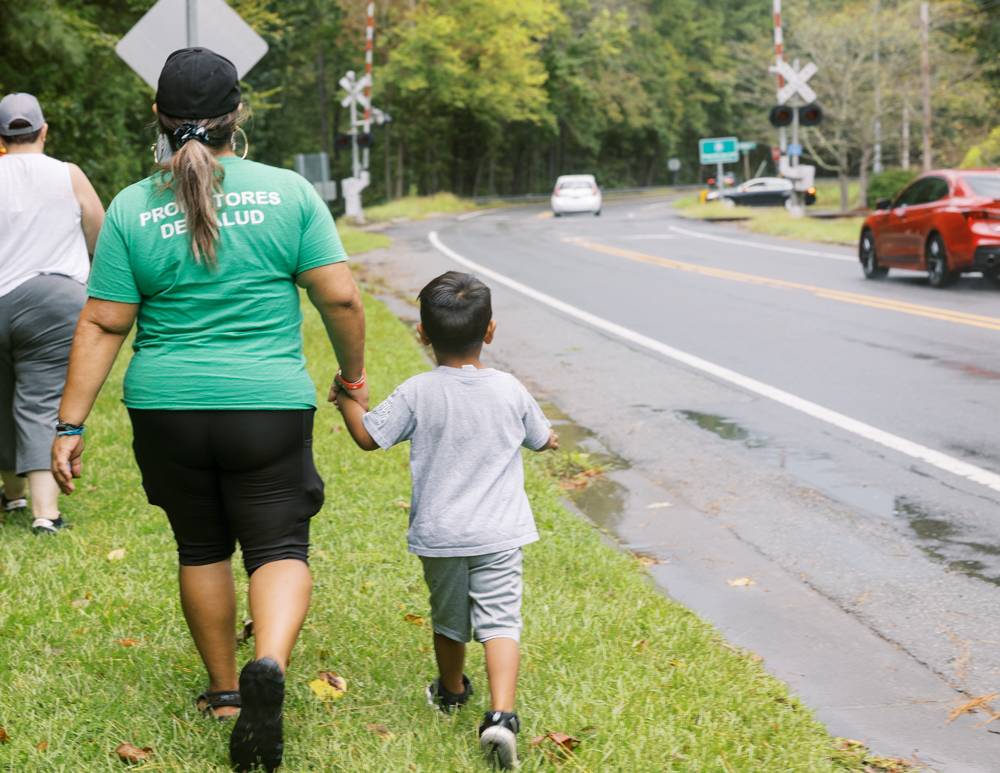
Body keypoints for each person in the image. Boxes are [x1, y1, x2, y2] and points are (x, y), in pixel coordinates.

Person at [50, 48, 366, 772]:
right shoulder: (288, 194)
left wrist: (69, 424)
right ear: (239, 117)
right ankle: (272, 666)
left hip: (167, 408)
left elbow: (102, 323)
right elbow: (341, 297)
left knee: (201, 545)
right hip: (267, 404)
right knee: (279, 545)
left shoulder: (133, 206)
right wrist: (352, 377)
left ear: (158, 119)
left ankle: (225, 691)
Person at [335, 271, 558, 770]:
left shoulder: (418, 391)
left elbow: (369, 437)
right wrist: (547, 441)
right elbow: (543, 439)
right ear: (491, 330)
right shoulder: (510, 389)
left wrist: (348, 398)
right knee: (501, 621)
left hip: (442, 536)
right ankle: (502, 715)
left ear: (423, 334)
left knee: (449, 619)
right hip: (500, 532)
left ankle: (453, 691)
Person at [0, 92, 104, 534]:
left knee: (2, 398)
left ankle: (11, 494)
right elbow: (99, 228)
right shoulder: (68, 174)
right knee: (41, 401)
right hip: (54, 301)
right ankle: (46, 513)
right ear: (44, 131)